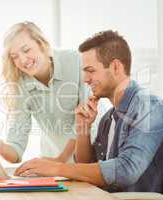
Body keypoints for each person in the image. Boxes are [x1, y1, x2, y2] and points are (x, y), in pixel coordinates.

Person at [14, 30, 163, 193]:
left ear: (115, 67)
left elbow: (126, 170)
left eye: (90, 70)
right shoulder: (109, 118)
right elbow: (87, 167)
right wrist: (82, 128)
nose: (85, 79)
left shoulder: (147, 107)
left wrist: (57, 168)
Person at [0, 21, 98, 164]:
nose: (22, 60)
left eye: (26, 50)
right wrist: (2, 148)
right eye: (14, 56)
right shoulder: (20, 83)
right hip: (53, 162)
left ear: (41, 44)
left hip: (91, 157)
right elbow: (16, 147)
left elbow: (85, 117)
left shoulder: (75, 60)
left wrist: (61, 160)